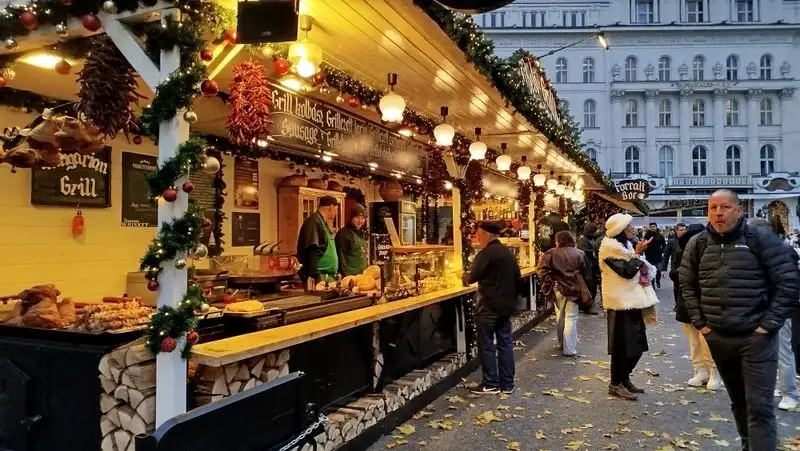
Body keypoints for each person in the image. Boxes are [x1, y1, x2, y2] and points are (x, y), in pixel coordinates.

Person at [679, 189, 800, 451]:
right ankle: (749, 445)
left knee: (759, 406)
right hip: (719, 338)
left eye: (724, 207)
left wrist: (767, 325)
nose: (718, 213)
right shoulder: (698, 243)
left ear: (738, 210)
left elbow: (789, 283)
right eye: (713, 207)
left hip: (756, 339)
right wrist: (703, 325)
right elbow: (687, 285)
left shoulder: (761, 240)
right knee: (739, 402)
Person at [599, 213, 659, 401]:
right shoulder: (609, 249)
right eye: (629, 226)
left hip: (633, 302)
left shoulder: (626, 245)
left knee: (637, 345)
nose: (632, 228)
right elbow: (625, 272)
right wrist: (637, 254)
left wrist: (637, 254)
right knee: (621, 347)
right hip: (619, 304)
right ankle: (615, 383)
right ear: (620, 230)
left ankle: (624, 379)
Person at [464, 220, 521, 395]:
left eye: (478, 234)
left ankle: (491, 383)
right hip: (505, 307)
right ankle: (507, 384)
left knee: (487, 344)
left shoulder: (486, 253)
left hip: (488, 306)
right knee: (505, 343)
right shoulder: (507, 253)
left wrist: (463, 275)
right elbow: (517, 278)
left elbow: (472, 277)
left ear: (486, 235)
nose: (477, 238)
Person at [749, 217, 800, 411]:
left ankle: (790, 393)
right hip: (759, 308)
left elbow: (789, 285)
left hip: (777, 310)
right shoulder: (754, 249)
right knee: (767, 353)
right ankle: (781, 388)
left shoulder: (782, 250)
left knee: (783, 352)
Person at [671, 223, 722, 390]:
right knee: (693, 340)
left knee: (706, 339)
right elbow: (675, 276)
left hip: (707, 302)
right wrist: (678, 272)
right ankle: (700, 370)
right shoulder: (681, 254)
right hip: (687, 301)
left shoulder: (713, 254)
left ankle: (713, 371)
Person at [539, 230, 593, 356]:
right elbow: (588, 275)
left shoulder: (551, 253)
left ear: (558, 241)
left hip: (558, 288)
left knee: (560, 316)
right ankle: (569, 348)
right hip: (574, 289)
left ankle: (561, 343)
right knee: (571, 317)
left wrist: (551, 284)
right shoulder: (580, 253)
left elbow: (542, 270)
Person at [297, 196, 340, 287]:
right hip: (318, 278)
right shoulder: (313, 222)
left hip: (327, 276)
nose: (337, 212)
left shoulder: (322, 222)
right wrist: (316, 276)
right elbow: (312, 249)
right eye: (336, 209)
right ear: (331, 207)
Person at [335, 203, 368, 276]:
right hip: (349, 276)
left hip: (362, 275)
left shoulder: (362, 233)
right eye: (357, 217)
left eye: (362, 218)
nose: (360, 221)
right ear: (351, 218)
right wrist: (345, 275)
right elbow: (340, 257)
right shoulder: (343, 233)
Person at [577, 222, 601, 315]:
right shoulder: (583, 240)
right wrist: (595, 251)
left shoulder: (590, 239)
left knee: (592, 287)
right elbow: (583, 252)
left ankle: (589, 305)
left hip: (592, 267)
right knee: (589, 287)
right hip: (588, 267)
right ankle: (586, 306)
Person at [644, 223, 667, 289]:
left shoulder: (660, 236)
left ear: (656, 227)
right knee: (651, 270)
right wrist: (645, 251)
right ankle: (653, 284)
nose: (652, 228)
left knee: (659, 270)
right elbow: (644, 244)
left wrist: (662, 251)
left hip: (658, 256)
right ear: (649, 227)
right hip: (649, 256)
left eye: (654, 226)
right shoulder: (647, 235)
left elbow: (664, 245)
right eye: (651, 227)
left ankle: (658, 281)